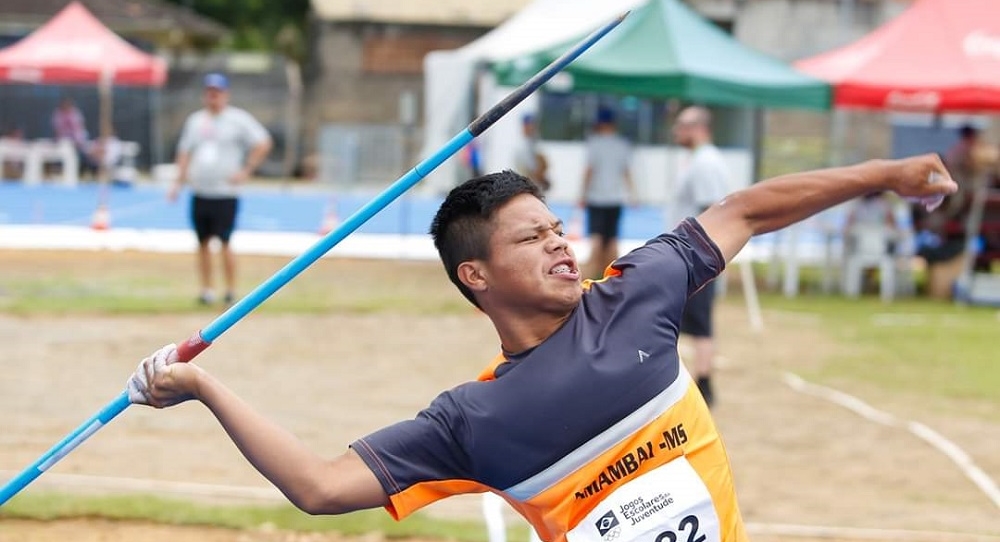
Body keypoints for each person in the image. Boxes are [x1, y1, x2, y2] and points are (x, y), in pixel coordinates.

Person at [128, 155, 956, 542]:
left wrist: (882, 172)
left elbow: (744, 210)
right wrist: (206, 388)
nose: (564, 245)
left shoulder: (634, 300)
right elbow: (316, 487)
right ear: (477, 273)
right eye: (535, 237)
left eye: (560, 228)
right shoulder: (472, 419)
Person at [169, 72, 273, 306]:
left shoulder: (238, 119)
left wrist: (247, 169)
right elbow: (185, 151)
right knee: (202, 242)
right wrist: (178, 181)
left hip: (225, 192)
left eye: (217, 93)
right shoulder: (195, 121)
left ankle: (231, 289)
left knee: (225, 241)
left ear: (225, 95)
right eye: (209, 93)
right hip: (201, 190)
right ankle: (206, 289)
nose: (212, 97)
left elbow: (263, 142)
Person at [668, 106, 734, 407]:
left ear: (698, 128)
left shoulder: (705, 163)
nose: (676, 131)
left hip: (693, 258)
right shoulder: (698, 160)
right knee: (682, 323)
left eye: (682, 126)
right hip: (687, 256)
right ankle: (692, 384)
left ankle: (704, 385)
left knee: (697, 324)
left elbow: (710, 213)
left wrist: (701, 262)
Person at [579, 107, 635, 279]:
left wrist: (582, 194)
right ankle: (614, 280)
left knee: (596, 241)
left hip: (597, 197)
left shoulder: (594, 143)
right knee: (612, 241)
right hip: (615, 197)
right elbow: (626, 171)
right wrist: (633, 194)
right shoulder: (622, 144)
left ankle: (589, 280)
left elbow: (589, 170)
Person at [51, 96, 99, 178]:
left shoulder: (75, 114)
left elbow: (79, 128)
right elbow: (57, 130)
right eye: (64, 105)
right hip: (64, 142)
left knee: (85, 154)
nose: (66, 107)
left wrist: (78, 141)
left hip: (78, 142)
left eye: (68, 105)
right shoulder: (58, 114)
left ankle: (87, 172)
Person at [514, 114, 550, 193]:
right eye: (530, 125)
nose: (533, 128)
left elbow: (543, 164)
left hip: (533, 185)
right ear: (524, 126)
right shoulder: (521, 146)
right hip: (525, 185)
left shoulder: (535, 142)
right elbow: (528, 170)